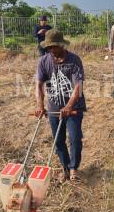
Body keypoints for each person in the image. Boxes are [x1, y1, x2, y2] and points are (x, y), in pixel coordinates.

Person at [35, 30, 86, 182]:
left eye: (54, 47)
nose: (51, 50)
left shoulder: (74, 60)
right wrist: (40, 105)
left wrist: (69, 105)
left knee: (75, 139)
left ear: (61, 45)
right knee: (58, 140)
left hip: (74, 108)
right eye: (48, 47)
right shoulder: (44, 61)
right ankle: (64, 168)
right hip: (54, 108)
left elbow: (78, 86)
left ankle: (73, 169)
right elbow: (39, 85)